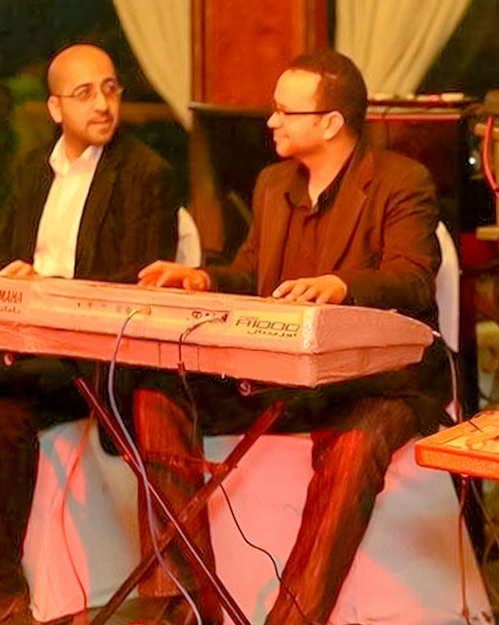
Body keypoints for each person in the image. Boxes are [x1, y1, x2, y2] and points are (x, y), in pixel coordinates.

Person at [134, 50, 451, 625]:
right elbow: (254, 276)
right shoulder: (273, 182)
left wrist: (340, 284)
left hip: (377, 383)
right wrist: (204, 278)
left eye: (285, 110)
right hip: (279, 373)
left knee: (354, 448)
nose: (271, 121)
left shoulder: (403, 181)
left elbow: (413, 278)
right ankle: (189, 603)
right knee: (155, 394)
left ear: (331, 122)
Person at [0, 43, 177, 624]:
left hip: (95, 357)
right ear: (55, 109)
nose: (103, 104)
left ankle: (5, 591)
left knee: (5, 415)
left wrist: (46, 286)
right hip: (26, 344)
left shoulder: (146, 173)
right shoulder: (30, 173)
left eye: (110, 88)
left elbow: (136, 285)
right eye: (84, 94)